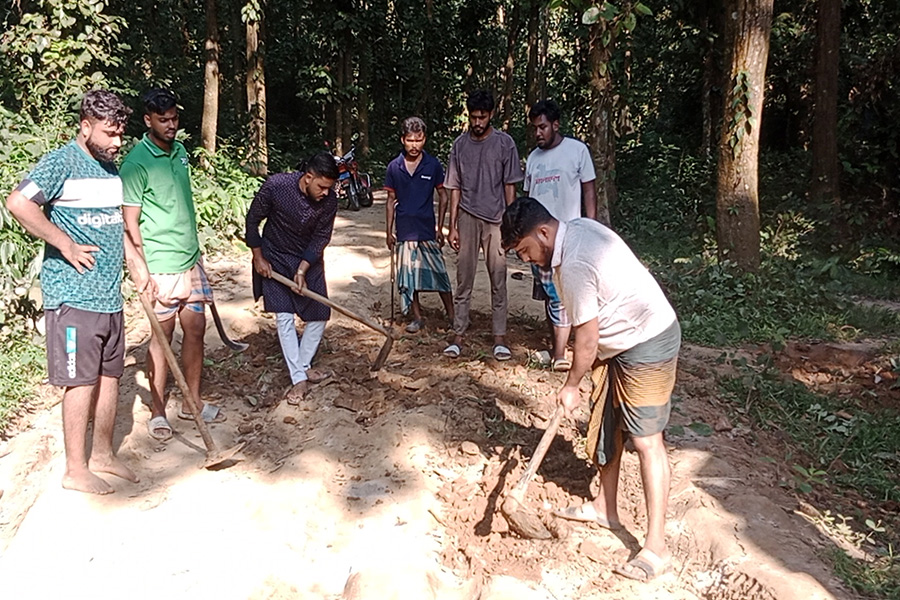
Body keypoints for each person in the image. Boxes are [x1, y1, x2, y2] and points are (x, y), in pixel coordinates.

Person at [501, 197, 680, 583]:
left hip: (647, 339)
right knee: (605, 424)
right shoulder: (575, 231)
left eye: (526, 250)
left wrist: (571, 385)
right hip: (616, 344)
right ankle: (605, 508)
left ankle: (656, 548)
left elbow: (585, 339)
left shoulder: (577, 262)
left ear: (543, 233)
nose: (527, 260)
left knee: (648, 440)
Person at [5, 90, 155, 495]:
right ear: (85, 126)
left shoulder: (110, 170)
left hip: (108, 296)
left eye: (120, 134)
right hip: (73, 297)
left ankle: (103, 454)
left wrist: (137, 264)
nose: (117, 142)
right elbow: (18, 202)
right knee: (80, 381)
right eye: (109, 133)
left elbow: (115, 226)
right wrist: (65, 243)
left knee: (110, 376)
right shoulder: (61, 163)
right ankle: (75, 468)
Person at [121, 88, 222, 441]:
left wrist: (196, 251)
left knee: (195, 329)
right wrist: (141, 268)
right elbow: (129, 221)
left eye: (175, 118)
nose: (171, 125)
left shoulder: (180, 153)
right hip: (159, 264)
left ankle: (192, 401)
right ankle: (158, 410)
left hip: (189, 259)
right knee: (162, 339)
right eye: (163, 120)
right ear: (148, 120)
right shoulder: (135, 163)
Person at [245, 152, 339, 404]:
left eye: (330, 188)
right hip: (274, 257)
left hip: (308, 258)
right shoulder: (276, 186)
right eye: (321, 186)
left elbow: (321, 238)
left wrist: (302, 270)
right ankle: (299, 378)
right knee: (284, 316)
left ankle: (303, 364)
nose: (326, 193)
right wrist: (258, 257)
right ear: (308, 177)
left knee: (320, 312)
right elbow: (252, 221)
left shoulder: (329, 202)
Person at [444, 90, 523, 361]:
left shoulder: (505, 144)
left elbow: (509, 185)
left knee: (498, 279)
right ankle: (458, 335)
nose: (477, 122)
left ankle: (499, 337)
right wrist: (452, 225)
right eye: (473, 117)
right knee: (464, 278)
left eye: (483, 117)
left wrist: (511, 224)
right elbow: (454, 187)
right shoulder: (459, 145)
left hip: (496, 220)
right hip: (467, 215)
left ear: (491, 115)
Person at [523, 99, 597, 372]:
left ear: (556, 125)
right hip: (538, 242)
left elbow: (589, 189)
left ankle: (561, 354)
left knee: (563, 296)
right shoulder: (533, 158)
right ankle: (558, 344)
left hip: (568, 236)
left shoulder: (577, 151)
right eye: (535, 128)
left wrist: (591, 225)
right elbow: (529, 198)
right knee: (547, 292)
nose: (538, 133)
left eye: (542, 127)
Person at [384, 117, 454, 333]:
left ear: (425, 139)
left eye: (419, 140)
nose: (414, 145)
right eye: (410, 140)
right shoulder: (394, 167)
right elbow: (389, 201)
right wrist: (388, 231)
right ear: (402, 140)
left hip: (427, 229)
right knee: (409, 276)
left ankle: (453, 315)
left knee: (440, 274)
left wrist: (440, 226)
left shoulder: (432, 165)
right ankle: (417, 316)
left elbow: (443, 196)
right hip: (404, 231)